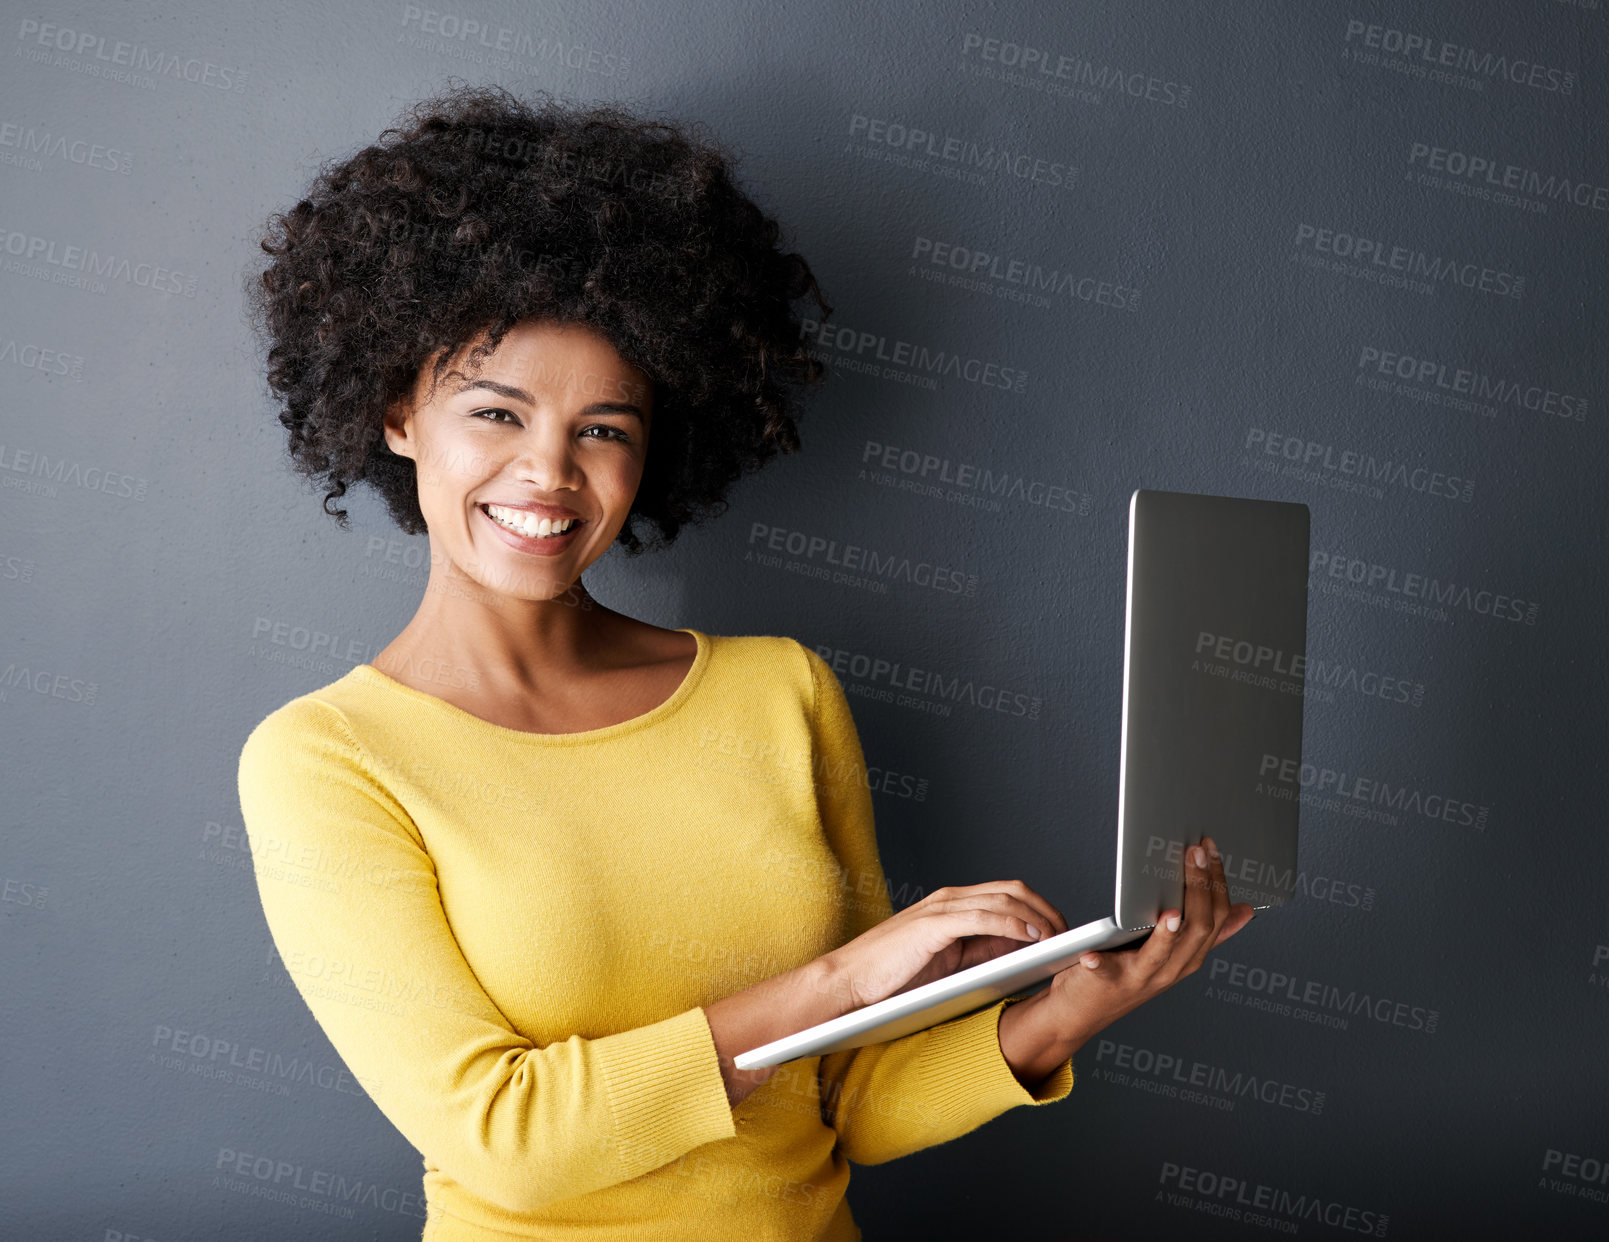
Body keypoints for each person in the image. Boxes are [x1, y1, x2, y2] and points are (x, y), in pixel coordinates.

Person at [236, 81, 1254, 1242]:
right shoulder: (328, 761)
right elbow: (505, 1143)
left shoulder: (781, 692)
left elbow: (846, 1106)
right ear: (395, 411)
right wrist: (844, 979)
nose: (550, 476)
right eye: (497, 414)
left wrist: (1064, 1012)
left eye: (604, 429)